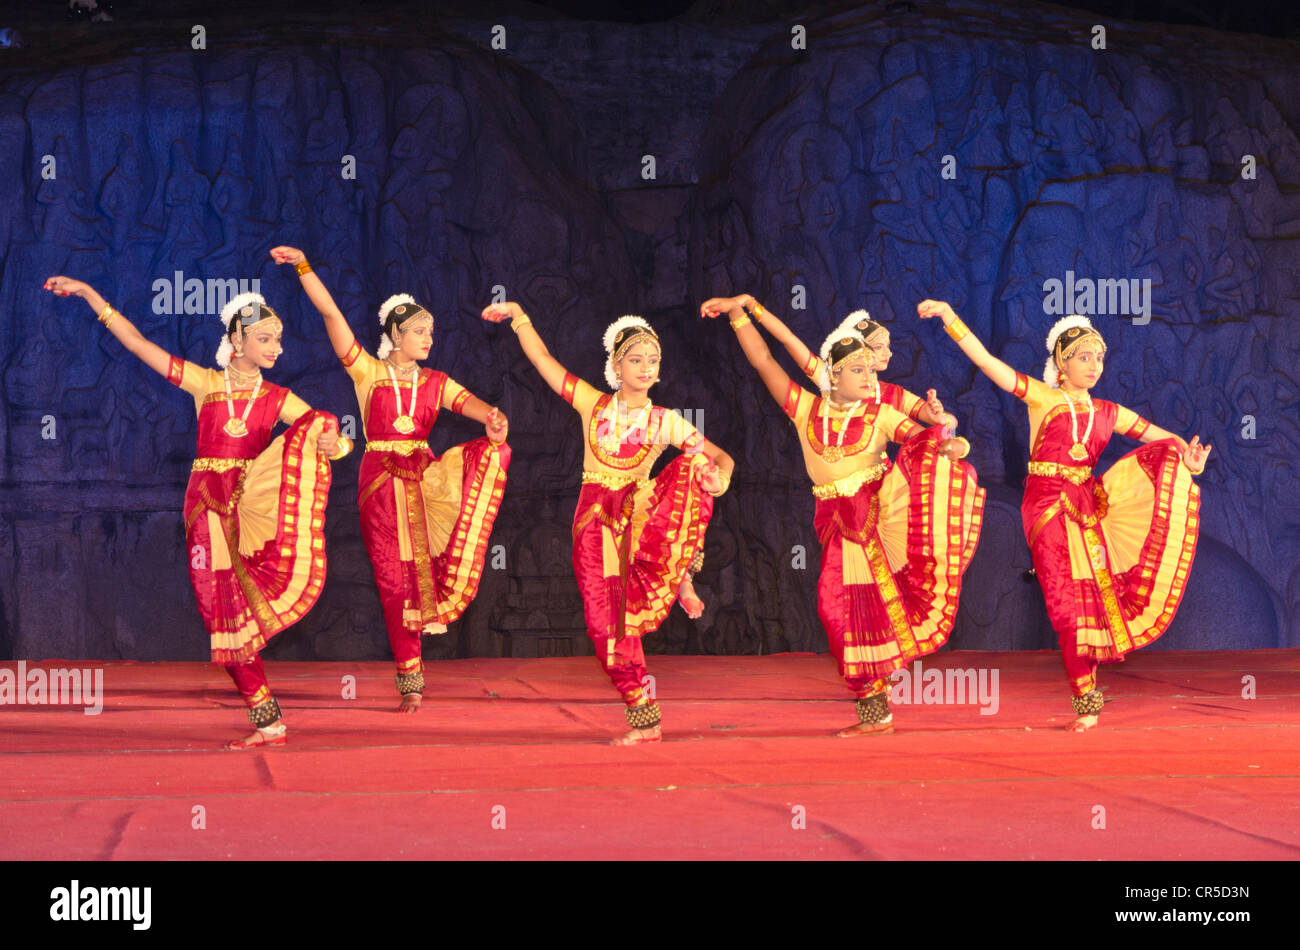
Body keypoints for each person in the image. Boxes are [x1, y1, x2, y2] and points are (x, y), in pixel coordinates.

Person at [44, 276, 351, 749]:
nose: (276, 349)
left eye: (278, 340)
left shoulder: (277, 398)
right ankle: (266, 715)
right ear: (236, 339)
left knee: (239, 609)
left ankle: (268, 720)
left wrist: (337, 443)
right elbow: (137, 343)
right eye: (264, 339)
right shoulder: (204, 382)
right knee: (218, 612)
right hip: (206, 506)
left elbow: (330, 435)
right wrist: (91, 296)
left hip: (248, 507)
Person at [919, 300, 1209, 731]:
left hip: (1088, 504)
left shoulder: (1108, 412)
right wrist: (949, 317)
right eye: (1083, 357)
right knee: (1064, 603)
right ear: (1061, 361)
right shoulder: (1042, 397)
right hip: (1046, 503)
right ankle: (1085, 695)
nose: (1094, 366)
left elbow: (1158, 436)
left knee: (1092, 596)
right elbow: (987, 362)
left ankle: (1087, 702)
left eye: (1099, 358)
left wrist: (1190, 457)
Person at [703, 294, 984, 735]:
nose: (870, 376)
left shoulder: (881, 413)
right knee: (840, 612)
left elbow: (921, 441)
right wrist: (740, 314)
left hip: (879, 521)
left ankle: (877, 704)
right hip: (834, 524)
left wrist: (949, 441)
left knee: (876, 606)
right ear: (832, 374)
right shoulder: (805, 408)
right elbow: (765, 362)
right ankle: (875, 706)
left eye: (872, 369)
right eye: (859, 369)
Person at [483, 301, 733, 745]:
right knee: (603, 622)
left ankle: (645, 703)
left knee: (694, 466)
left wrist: (720, 478)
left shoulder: (665, 421)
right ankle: (642, 704)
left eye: (652, 361)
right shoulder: (592, 404)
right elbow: (544, 362)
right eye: (635, 359)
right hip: (593, 525)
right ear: (616, 366)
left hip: (636, 523)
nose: (645, 367)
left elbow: (719, 456)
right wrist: (521, 316)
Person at [272, 247, 509, 712]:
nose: (428, 338)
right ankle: (410, 680)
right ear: (396, 334)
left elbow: (473, 406)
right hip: (380, 481)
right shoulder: (368, 372)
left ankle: (415, 671)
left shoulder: (436, 382)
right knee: (393, 580)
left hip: (424, 479)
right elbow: (331, 314)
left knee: (429, 569)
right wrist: (303, 267)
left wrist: (492, 420)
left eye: (431, 332)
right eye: (419, 331)